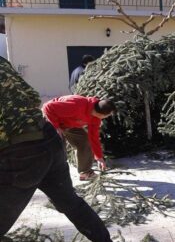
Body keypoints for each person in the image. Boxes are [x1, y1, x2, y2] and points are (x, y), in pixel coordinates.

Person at [0, 57, 112, 241]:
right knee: (70, 202)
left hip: (22, 152)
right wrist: (56, 128)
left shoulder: (91, 114)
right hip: (49, 137)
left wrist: (99, 156)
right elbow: (36, 98)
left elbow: (93, 135)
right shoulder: (2, 62)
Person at [42, 95, 115, 181]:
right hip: (51, 118)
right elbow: (48, 107)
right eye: (108, 115)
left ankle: (85, 172)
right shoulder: (78, 105)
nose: (108, 117)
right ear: (101, 114)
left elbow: (94, 138)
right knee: (59, 147)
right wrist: (56, 127)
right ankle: (52, 176)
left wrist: (99, 157)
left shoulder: (96, 118)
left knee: (85, 142)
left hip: (69, 124)